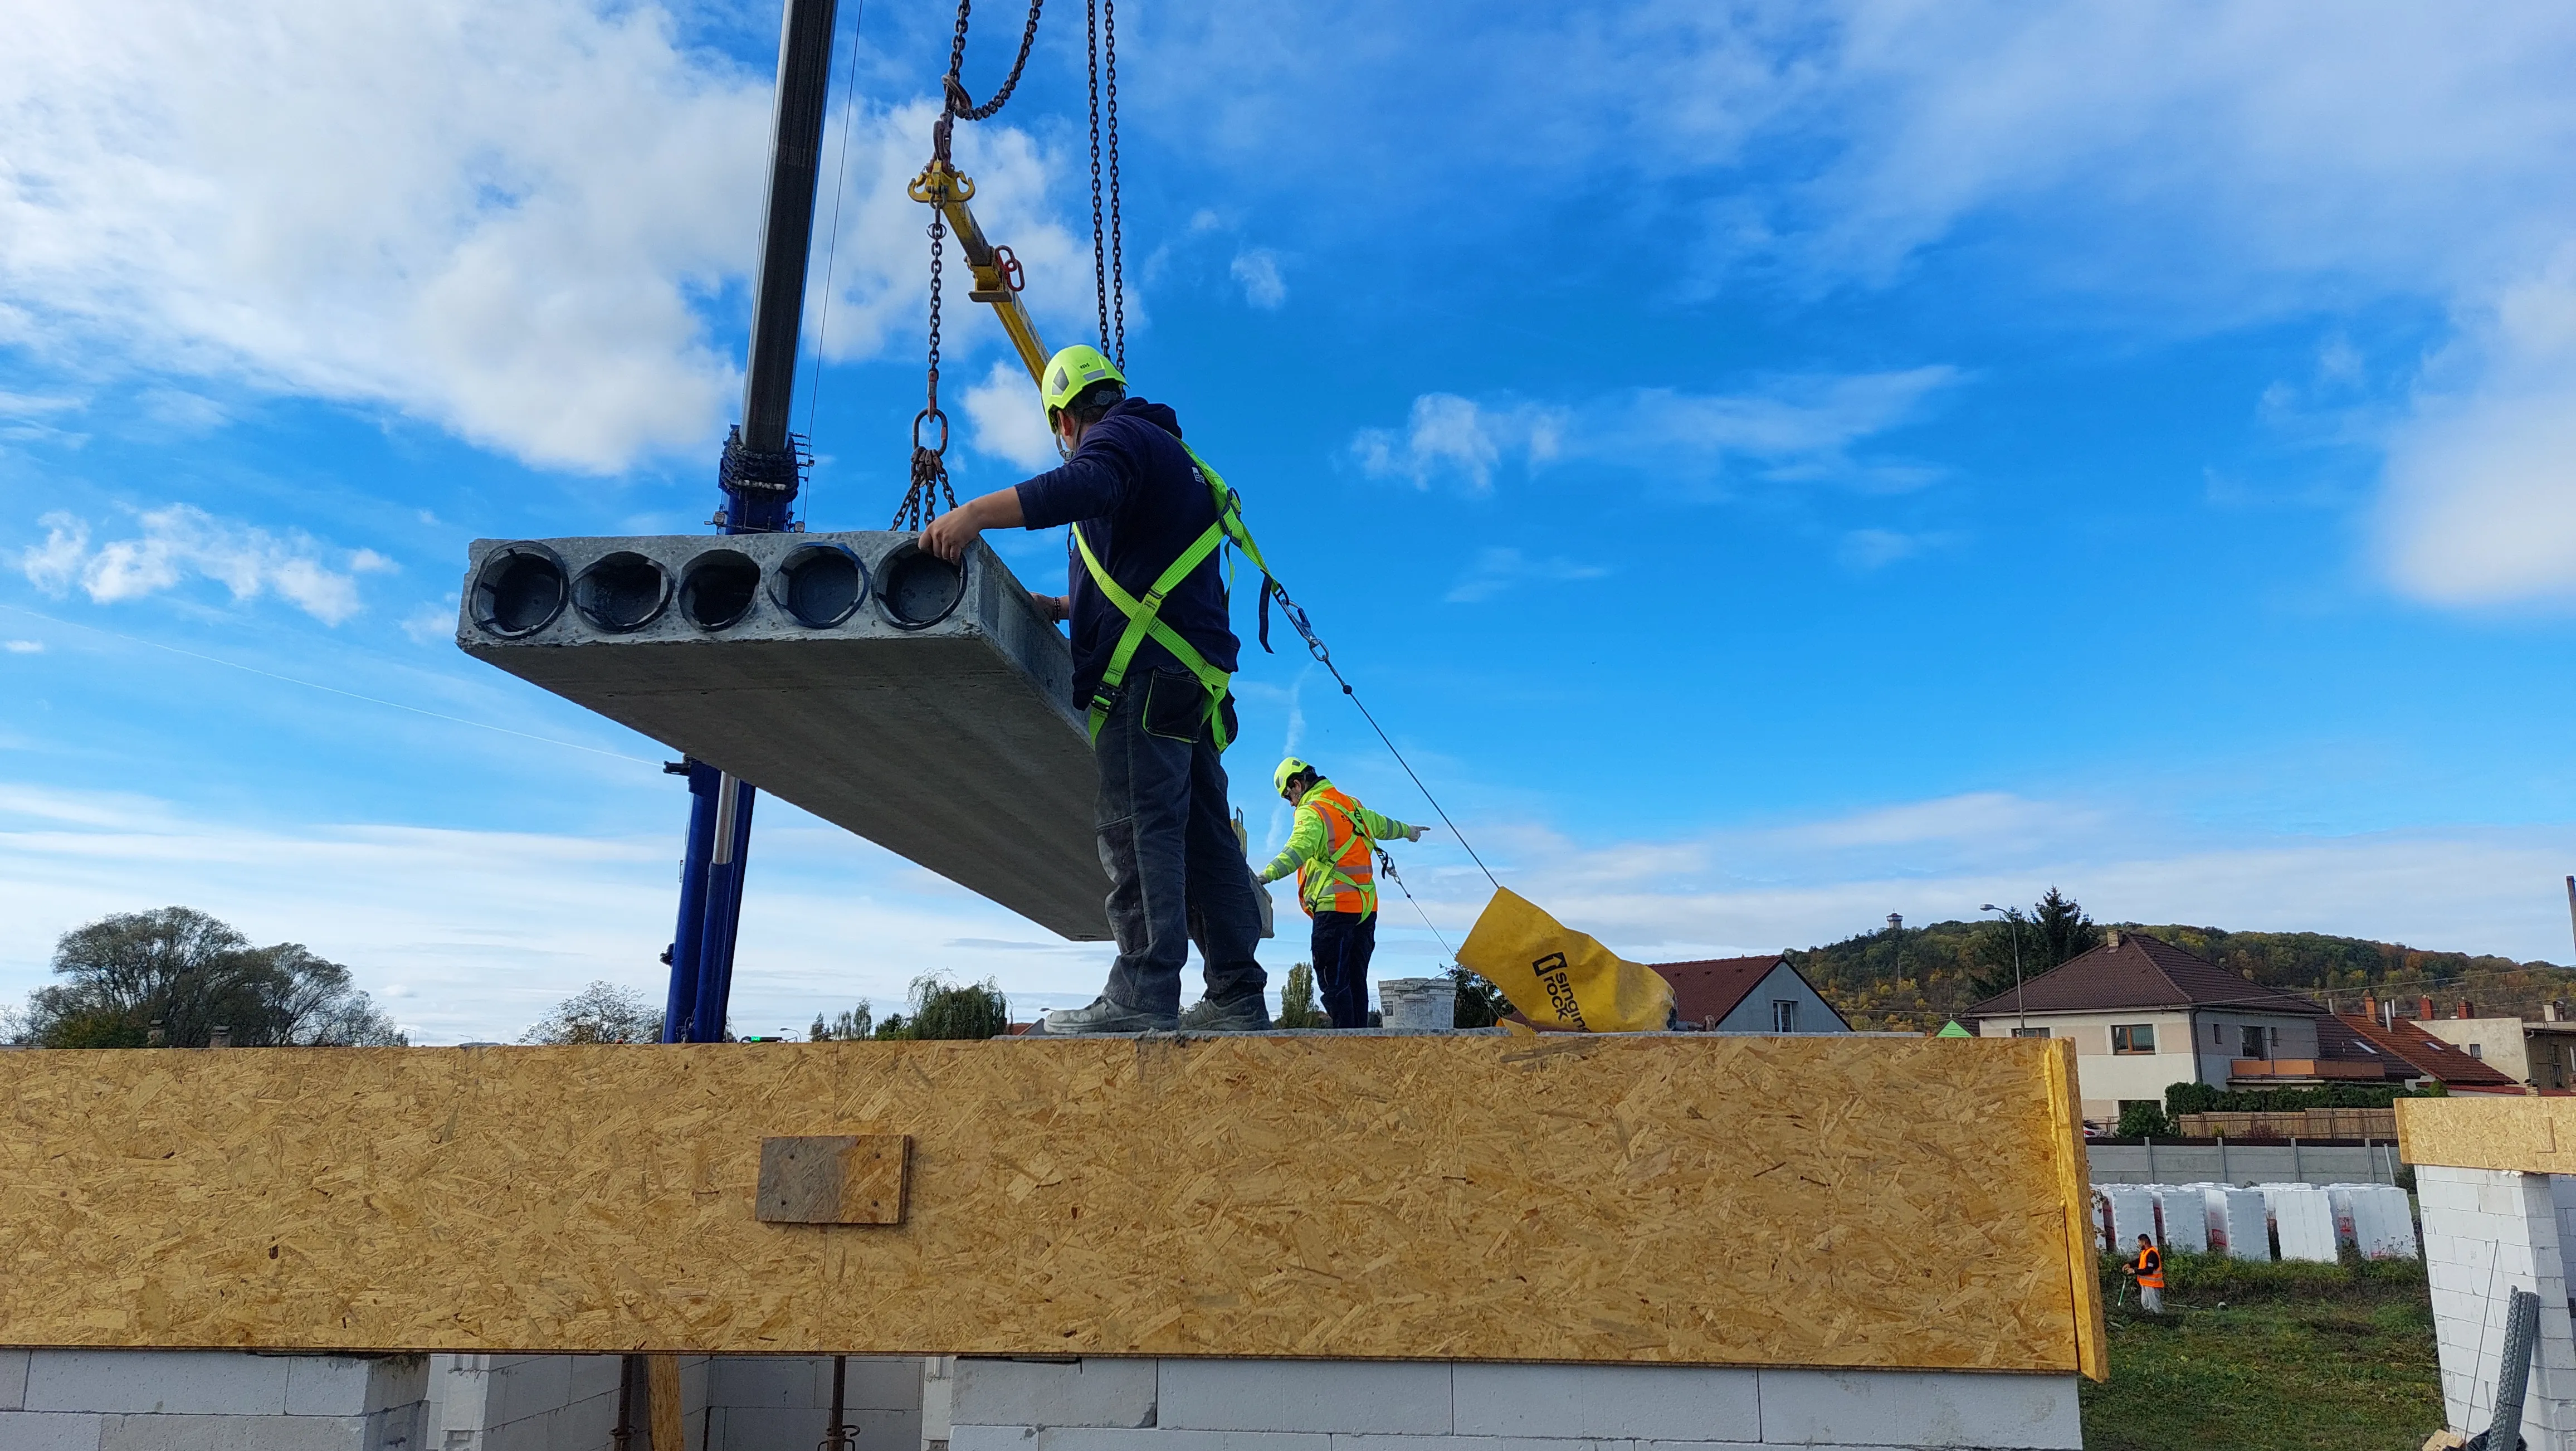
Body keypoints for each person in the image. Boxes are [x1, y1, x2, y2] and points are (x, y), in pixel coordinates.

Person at [922, 345, 1269, 1033]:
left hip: (1146, 682)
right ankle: (1236, 992)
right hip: (1187, 680)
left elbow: (1082, 487)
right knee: (1203, 837)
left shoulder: (1116, 440)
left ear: (1064, 416)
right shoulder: (1171, 454)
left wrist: (974, 517)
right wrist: (1065, 605)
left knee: (1139, 828)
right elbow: (1150, 576)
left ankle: (1142, 993)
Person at [1257, 758, 1426, 1029]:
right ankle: (1361, 1041)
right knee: (1357, 981)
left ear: (1297, 785)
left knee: (1334, 984)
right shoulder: (1352, 806)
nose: (1290, 803)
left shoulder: (1313, 811)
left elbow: (1298, 850)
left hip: (1334, 909)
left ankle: (1346, 1042)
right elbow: (1383, 825)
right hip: (1367, 909)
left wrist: (1264, 876)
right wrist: (1409, 831)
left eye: (1288, 796)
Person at [2126, 1233, 2164, 1313]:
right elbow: (2139, 1261)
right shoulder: (2144, 1253)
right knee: (2145, 1302)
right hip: (2145, 1283)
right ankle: (2151, 1317)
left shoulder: (2152, 1254)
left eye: (2139, 1242)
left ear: (2144, 1243)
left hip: (2152, 1284)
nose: (2139, 1245)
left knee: (2155, 1304)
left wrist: (2134, 1271)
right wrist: (2130, 1265)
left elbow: (2149, 1270)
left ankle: (2161, 1317)